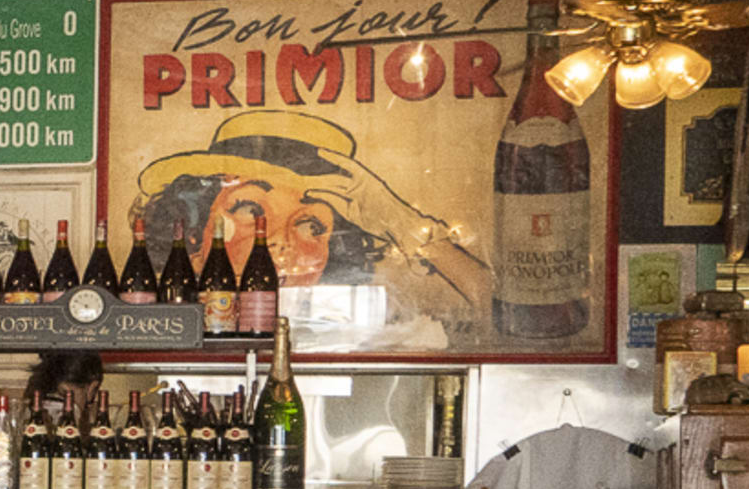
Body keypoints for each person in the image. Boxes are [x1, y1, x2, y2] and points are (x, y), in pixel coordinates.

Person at [126, 109, 493, 343]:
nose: (280, 241)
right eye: (251, 207)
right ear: (193, 233)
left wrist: (400, 222)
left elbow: (498, 315)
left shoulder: (375, 335)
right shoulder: (164, 329)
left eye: (311, 226)